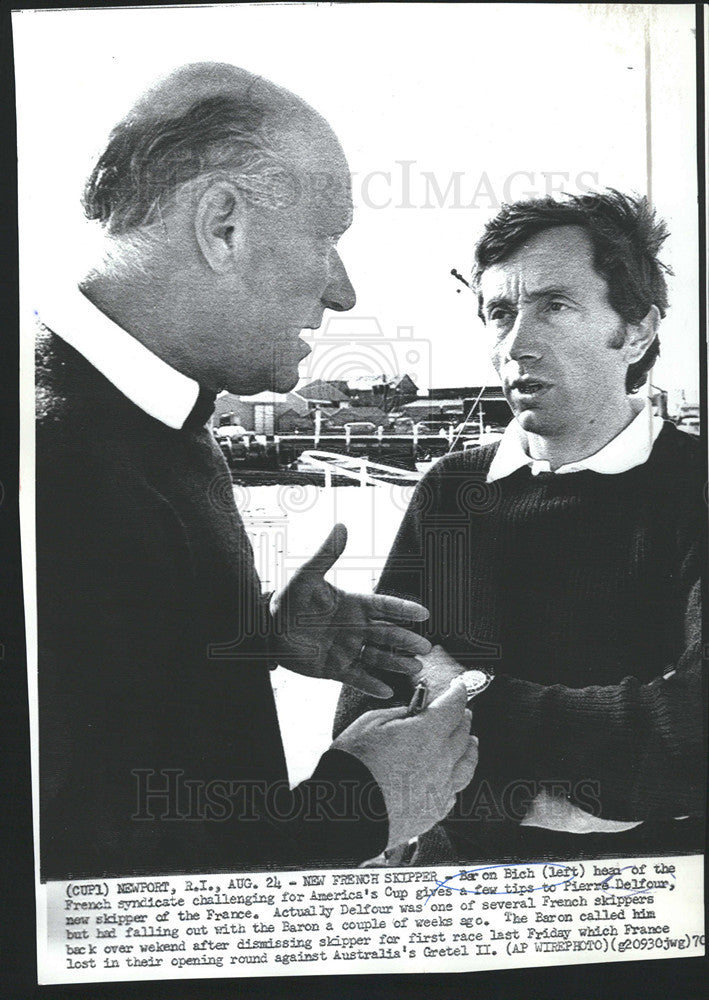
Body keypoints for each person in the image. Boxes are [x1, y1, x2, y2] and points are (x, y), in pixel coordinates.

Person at [35, 62, 478, 879]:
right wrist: (353, 806)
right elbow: (61, 890)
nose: (343, 290)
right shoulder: (49, 467)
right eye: (328, 238)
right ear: (223, 226)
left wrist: (244, 638)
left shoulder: (146, 414)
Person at [336, 190, 704, 863]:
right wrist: (538, 804)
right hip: (453, 877)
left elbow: (689, 734)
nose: (516, 343)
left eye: (554, 307)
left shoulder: (693, 488)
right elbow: (369, 718)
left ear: (636, 330)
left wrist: (460, 690)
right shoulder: (450, 490)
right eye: (499, 313)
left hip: (649, 891)